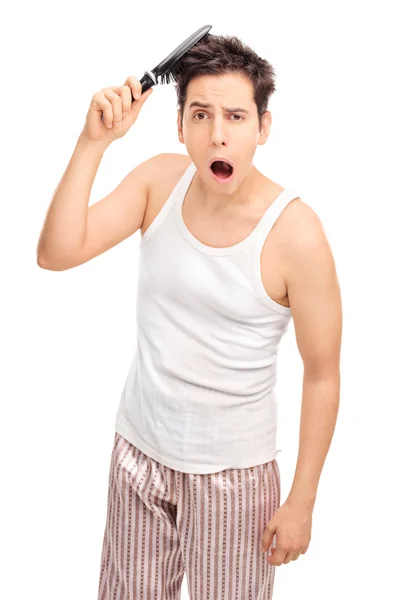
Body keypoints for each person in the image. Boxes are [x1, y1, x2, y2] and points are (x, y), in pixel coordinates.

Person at [37, 33, 342, 600]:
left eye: (235, 115)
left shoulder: (297, 234)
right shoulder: (159, 182)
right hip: (138, 455)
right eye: (200, 114)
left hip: (236, 478)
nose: (217, 133)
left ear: (263, 127)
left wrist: (301, 500)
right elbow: (55, 253)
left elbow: (322, 373)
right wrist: (91, 143)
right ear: (180, 125)